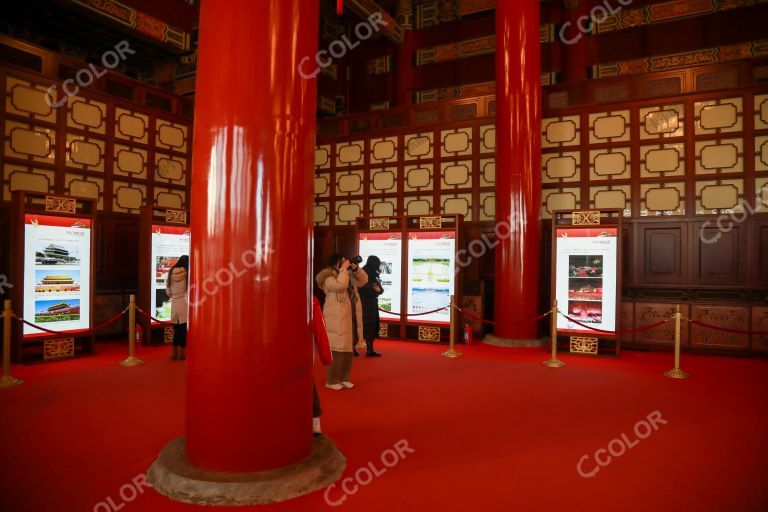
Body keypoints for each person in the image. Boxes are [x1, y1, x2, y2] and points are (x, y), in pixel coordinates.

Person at [315, 254, 367, 390]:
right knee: (336, 351)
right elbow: (340, 286)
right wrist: (344, 271)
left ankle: (344, 378)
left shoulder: (347, 274)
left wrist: (356, 270)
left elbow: (364, 281)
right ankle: (331, 381)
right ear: (336, 262)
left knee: (347, 351)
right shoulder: (327, 276)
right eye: (343, 262)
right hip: (336, 319)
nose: (346, 264)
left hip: (349, 318)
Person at [312, 296, 333, 435]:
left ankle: (314, 419)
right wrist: (326, 357)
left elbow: (319, 329)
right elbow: (320, 329)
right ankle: (314, 420)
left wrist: (326, 357)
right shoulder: (310, 301)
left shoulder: (311, 301)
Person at [359, 255, 384, 357]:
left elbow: (379, 288)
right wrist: (377, 291)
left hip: (370, 303)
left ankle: (369, 349)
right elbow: (368, 289)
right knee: (367, 325)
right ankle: (368, 349)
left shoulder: (370, 272)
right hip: (365, 303)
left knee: (371, 325)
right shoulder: (364, 273)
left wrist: (379, 291)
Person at [166, 255, 189, 361]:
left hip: (174, 304)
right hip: (184, 303)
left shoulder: (171, 273)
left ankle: (173, 354)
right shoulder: (188, 273)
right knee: (183, 331)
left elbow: (168, 292)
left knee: (176, 330)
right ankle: (181, 354)